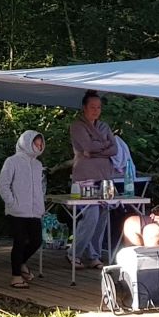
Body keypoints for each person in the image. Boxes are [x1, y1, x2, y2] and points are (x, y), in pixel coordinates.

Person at [68, 92, 118, 268]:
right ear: (84, 108)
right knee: (91, 214)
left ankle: (94, 254)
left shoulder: (104, 126)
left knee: (103, 215)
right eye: (92, 107)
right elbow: (87, 146)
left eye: (98, 107)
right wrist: (103, 144)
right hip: (84, 177)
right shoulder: (77, 126)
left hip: (104, 176)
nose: (96, 111)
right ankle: (74, 252)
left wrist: (96, 149)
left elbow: (115, 149)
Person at [0, 130, 47, 289]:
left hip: (35, 211)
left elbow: (41, 187)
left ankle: (21, 263)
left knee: (37, 240)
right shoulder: (12, 161)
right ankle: (16, 276)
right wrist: (12, 202)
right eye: (36, 144)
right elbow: (3, 184)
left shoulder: (38, 165)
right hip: (17, 211)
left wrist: (40, 202)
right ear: (27, 142)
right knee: (20, 242)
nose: (39, 147)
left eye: (41, 144)